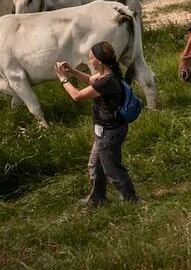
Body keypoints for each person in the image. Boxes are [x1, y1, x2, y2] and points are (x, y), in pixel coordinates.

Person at [56, 43, 139, 207]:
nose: (89, 60)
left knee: (112, 169)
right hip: (105, 130)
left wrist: (62, 78)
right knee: (95, 166)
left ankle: (130, 199)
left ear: (100, 61)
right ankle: (96, 199)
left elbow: (77, 95)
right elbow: (89, 80)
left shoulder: (108, 81)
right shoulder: (106, 74)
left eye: (91, 57)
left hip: (110, 131)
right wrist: (71, 71)